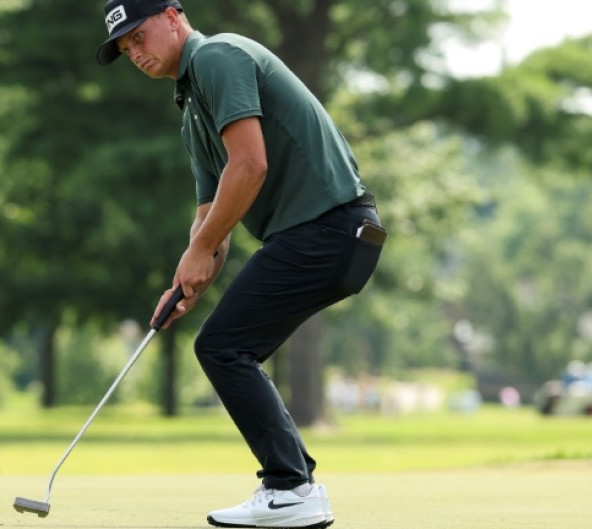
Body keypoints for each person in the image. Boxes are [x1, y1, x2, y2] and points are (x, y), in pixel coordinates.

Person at [96, 1, 385, 527]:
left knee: (223, 346)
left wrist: (200, 250)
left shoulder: (217, 57)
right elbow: (212, 218)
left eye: (138, 36)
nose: (134, 52)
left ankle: (292, 488)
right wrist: (189, 280)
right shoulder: (192, 111)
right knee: (227, 344)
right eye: (124, 47)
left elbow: (250, 166)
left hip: (330, 227)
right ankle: (293, 487)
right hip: (327, 236)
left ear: (173, 16)